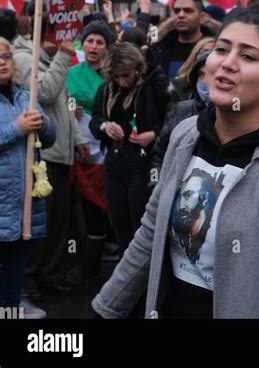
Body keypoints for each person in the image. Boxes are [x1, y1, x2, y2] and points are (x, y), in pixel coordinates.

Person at [92, 9, 259, 319]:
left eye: (249, 57)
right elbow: (150, 235)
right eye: (221, 49)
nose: (227, 63)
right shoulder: (186, 135)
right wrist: (105, 309)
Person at [14, 17, 89, 298]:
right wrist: (63, 56)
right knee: (41, 221)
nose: (66, 38)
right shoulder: (24, 58)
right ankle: (29, 279)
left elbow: (64, 103)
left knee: (58, 220)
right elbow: (44, 93)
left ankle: (48, 273)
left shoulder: (48, 58)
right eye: (60, 32)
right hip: (45, 154)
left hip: (61, 151)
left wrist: (78, 139)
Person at [89, 42, 169, 256]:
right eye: (117, 76)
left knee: (140, 225)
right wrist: (106, 126)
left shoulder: (155, 84)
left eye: (126, 75)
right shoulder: (106, 88)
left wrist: (153, 134)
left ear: (137, 69)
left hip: (143, 165)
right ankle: (125, 280)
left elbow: (174, 120)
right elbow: (95, 119)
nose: (122, 81)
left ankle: (146, 283)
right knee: (119, 223)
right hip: (115, 162)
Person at [0, 37, 55, 313]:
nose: (2, 62)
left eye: (6, 56)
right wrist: (16, 128)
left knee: (13, 276)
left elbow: (51, 138)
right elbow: (15, 131)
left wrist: (43, 124)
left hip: (22, 206)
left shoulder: (26, 94)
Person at [66, 22, 112, 280]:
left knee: (101, 205)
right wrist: (70, 106)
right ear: (83, 44)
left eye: (99, 42)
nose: (93, 47)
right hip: (76, 148)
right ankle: (82, 264)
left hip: (105, 152)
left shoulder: (114, 75)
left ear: (107, 47)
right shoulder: (71, 72)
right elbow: (64, 99)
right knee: (80, 207)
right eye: (90, 41)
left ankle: (96, 264)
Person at [150, 51, 212, 185]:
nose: (205, 81)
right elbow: (160, 152)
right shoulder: (181, 110)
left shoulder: (235, 115)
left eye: (212, 73)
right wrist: (155, 184)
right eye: (201, 74)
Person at [148, 0, 218, 79]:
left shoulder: (214, 50)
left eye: (188, 11)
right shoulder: (158, 50)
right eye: (176, 11)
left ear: (201, 17)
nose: (181, 15)